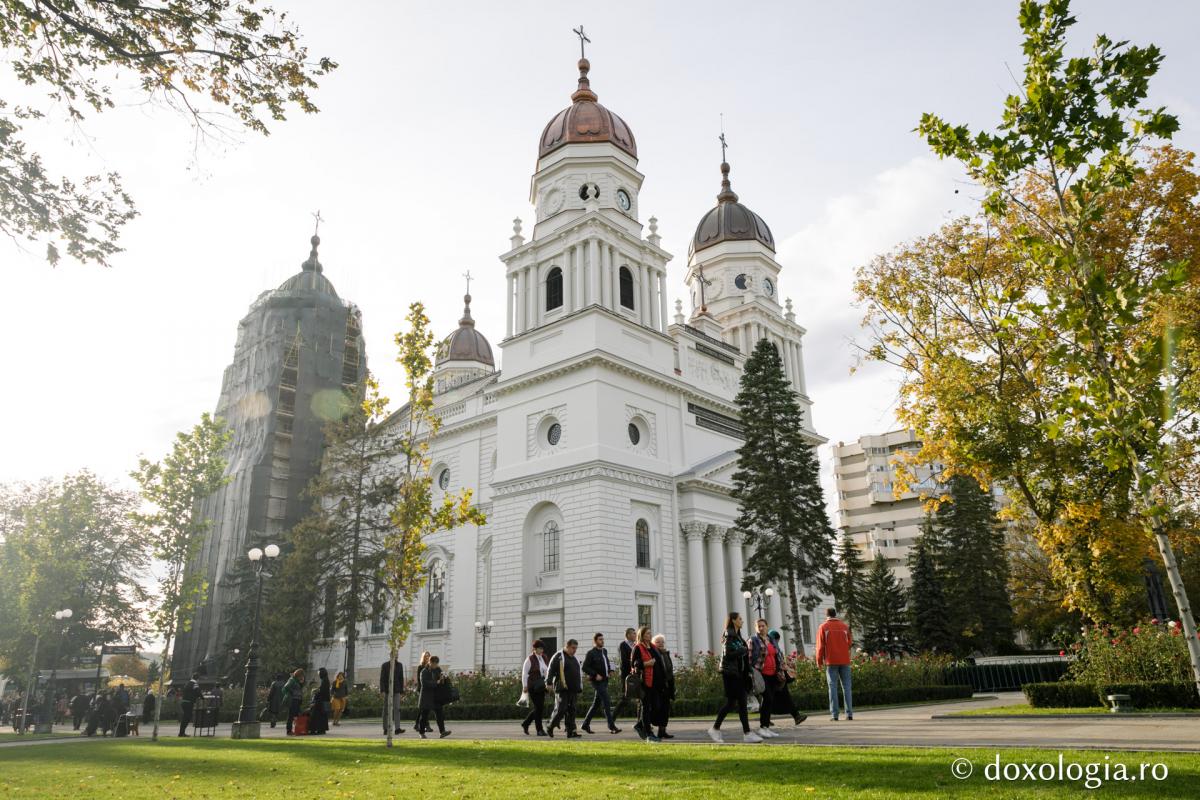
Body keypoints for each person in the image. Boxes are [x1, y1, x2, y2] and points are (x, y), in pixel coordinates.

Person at [708, 611, 762, 743]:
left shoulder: (737, 636)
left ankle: (717, 729)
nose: (742, 621)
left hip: (738, 674)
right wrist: (743, 650)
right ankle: (746, 733)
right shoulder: (729, 635)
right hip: (731, 674)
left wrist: (749, 669)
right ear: (733, 620)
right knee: (740, 703)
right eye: (740, 619)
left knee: (732, 703)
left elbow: (742, 658)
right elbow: (728, 655)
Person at [816, 607, 854, 721]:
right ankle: (849, 714)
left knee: (832, 687)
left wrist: (819, 661)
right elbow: (849, 642)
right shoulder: (844, 626)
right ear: (835, 614)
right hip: (844, 660)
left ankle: (835, 715)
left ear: (826, 615)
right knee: (847, 687)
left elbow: (820, 646)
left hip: (831, 661)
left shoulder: (823, 627)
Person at [765, 629, 808, 727]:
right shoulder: (772, 646)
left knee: (771, 698)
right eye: (777, 640)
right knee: (780, 697)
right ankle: (796, 716)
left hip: (776, 675)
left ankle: (766, 719)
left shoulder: (771, 645)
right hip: (775, 675)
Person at [580, 633, 620, 734]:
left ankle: (585, 724)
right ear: (595, 641)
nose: (602, 641)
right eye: (600, 639)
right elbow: (585, 667)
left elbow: (606, 663)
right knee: (606, 701)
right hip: (597, 681)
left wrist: (610, 670)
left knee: (596, 704)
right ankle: (611, 726)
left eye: (603, 639)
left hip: (605, 680)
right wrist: (594, 674)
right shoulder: (591, 653)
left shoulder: (604, 651)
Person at [630, 626, 662, 742]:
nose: (650, 635)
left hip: (654, 683)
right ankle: (649, 733)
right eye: (647, 633)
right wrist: (647, 663)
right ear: (642, 635)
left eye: (650, 633)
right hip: (644, 683)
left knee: (656, 706)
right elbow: (635, 665)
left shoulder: (653, 647)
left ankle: (639, 724)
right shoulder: (638, 648)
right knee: (646, 707)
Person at [546, 639, 582, 738]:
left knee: (572, 710)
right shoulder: (559, 656)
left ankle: (571, 732)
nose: (574, 650)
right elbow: (551, 669)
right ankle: (550, 726)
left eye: (576, 648)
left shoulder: (574, 659)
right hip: (562, 688)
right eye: (573, 648)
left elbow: (578, 673)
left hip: (573, 689)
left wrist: (580, 686)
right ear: (567, 646)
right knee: (561, 709)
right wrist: (548, 683)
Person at [520, 640, 549, 736]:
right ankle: (539, 730)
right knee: (539, 708)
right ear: (534, 649)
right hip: (532, 686)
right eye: (539, 648)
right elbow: (524, 674)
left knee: (539, 708)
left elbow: (546, 671)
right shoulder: (530, 659)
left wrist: (549, 683)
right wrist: (524, 686)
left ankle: (526, 723)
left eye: (542, 648)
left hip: (541, 686)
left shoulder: (544, 657)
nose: (541, 650)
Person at [416, 656, 450, 738]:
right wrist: (436, 682)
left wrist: (444, 679)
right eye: (434, 664)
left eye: (437, 664)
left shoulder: (438, 670)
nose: (435, 666)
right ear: (430, 662)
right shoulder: (424, 671)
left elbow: (441, 681)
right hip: (426, 697)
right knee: (424, 716)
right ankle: (421, 733)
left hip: (436, 697)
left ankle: (442, 732)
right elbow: (425, 683)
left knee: (439, 714)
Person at [651, 633, 676, 739]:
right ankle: (649, 728)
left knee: (665, 709)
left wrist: (672, 686)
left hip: (666, 685)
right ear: (653, 644)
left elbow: (669, 670)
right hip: (656, 686)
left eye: (662, 642)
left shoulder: (666, 654)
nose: (660, 643)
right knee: (656, 708)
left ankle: (662, 731)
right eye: (658, 642)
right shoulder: (652, 654)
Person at [380, 657, 407, 735]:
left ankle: (397, 728)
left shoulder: (399, 665)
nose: (396, 656)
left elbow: (401, 678)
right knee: (386, 709)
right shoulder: (385, 665)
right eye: (394, 654)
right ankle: (385, 728)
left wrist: (401, 692)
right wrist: (382, 690)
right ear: (391, 655)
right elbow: (382, 678)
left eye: (397, 655)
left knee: (397, 709)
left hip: (397, 690)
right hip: (387, 690)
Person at [615, 627, 637, 720]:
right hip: (626, 675)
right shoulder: (623, 645)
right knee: (625, 698)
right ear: (628, 635)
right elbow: (624, 660)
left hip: (635, 675)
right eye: (633, 633)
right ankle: (612, 718)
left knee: (640, 698)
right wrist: (634, 664)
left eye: (635, 633)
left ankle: (642, 722)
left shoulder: (635, 645)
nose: (635, 635)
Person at [282, 668, 305, 735]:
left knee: (297, 715)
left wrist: (301, 683)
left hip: (297, 700)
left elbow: (299, 689)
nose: (302, 677)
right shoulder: (292, 680)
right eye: (301, 675)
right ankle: (289, 730)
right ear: (298, 675)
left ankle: (298, 729)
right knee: (291, 715)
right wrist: (291, 693)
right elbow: (285, 688)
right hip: (293, 700)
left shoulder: (297, 681)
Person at [309, 667, 331, 735]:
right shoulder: (325, 680)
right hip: (324, 700)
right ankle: (321, 729)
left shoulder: (324, 681)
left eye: (318, 672)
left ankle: (315, 729)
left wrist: (316, 693)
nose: (318, 674)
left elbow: (322, 691)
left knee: (316, 714)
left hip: (321, 700)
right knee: (322, 715)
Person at [414, 651, 432, 734]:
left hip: (428, 690)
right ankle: (426, 726)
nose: (427, 657)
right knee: (423, 708)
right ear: (423, 657)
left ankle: (417, 724)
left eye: (428, 656)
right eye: (425, 656)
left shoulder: (430, 667)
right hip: (421, 689)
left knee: (423, 708)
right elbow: (419, 679)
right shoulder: (420, 666)